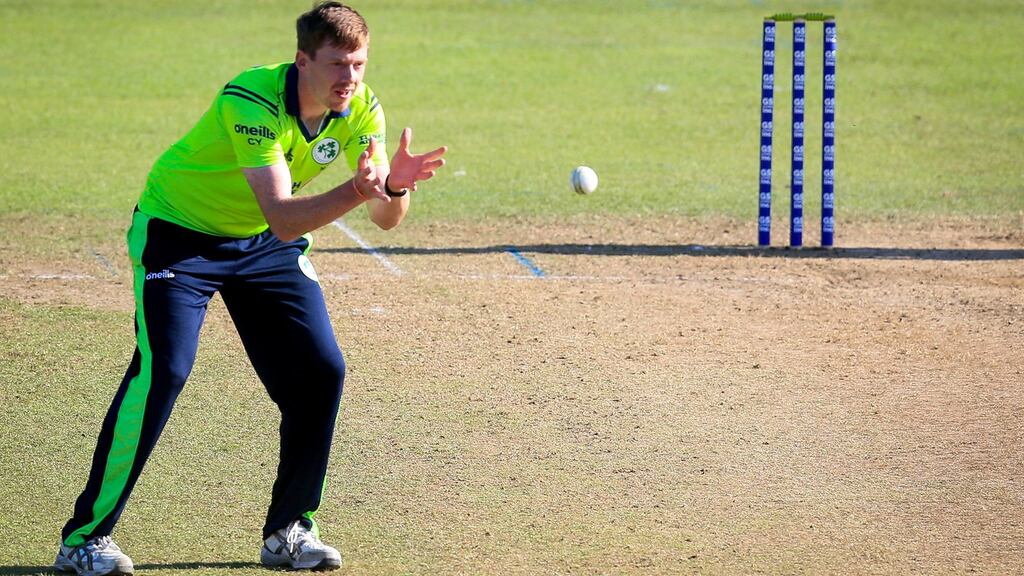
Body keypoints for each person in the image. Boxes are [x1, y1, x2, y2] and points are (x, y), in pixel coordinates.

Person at [55, 3, 446, 574]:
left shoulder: (362, 108)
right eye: (338, 64)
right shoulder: (252, 100)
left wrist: (390, 185)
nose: (350, 79)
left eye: (359, 64)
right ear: (303, 60)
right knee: (165, 368)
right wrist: (362, 193)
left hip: (262, 245)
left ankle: (289, 530)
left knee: (320, 370)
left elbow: (387, 219)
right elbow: (287, 216)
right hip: (180, 236)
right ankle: (83, 540)